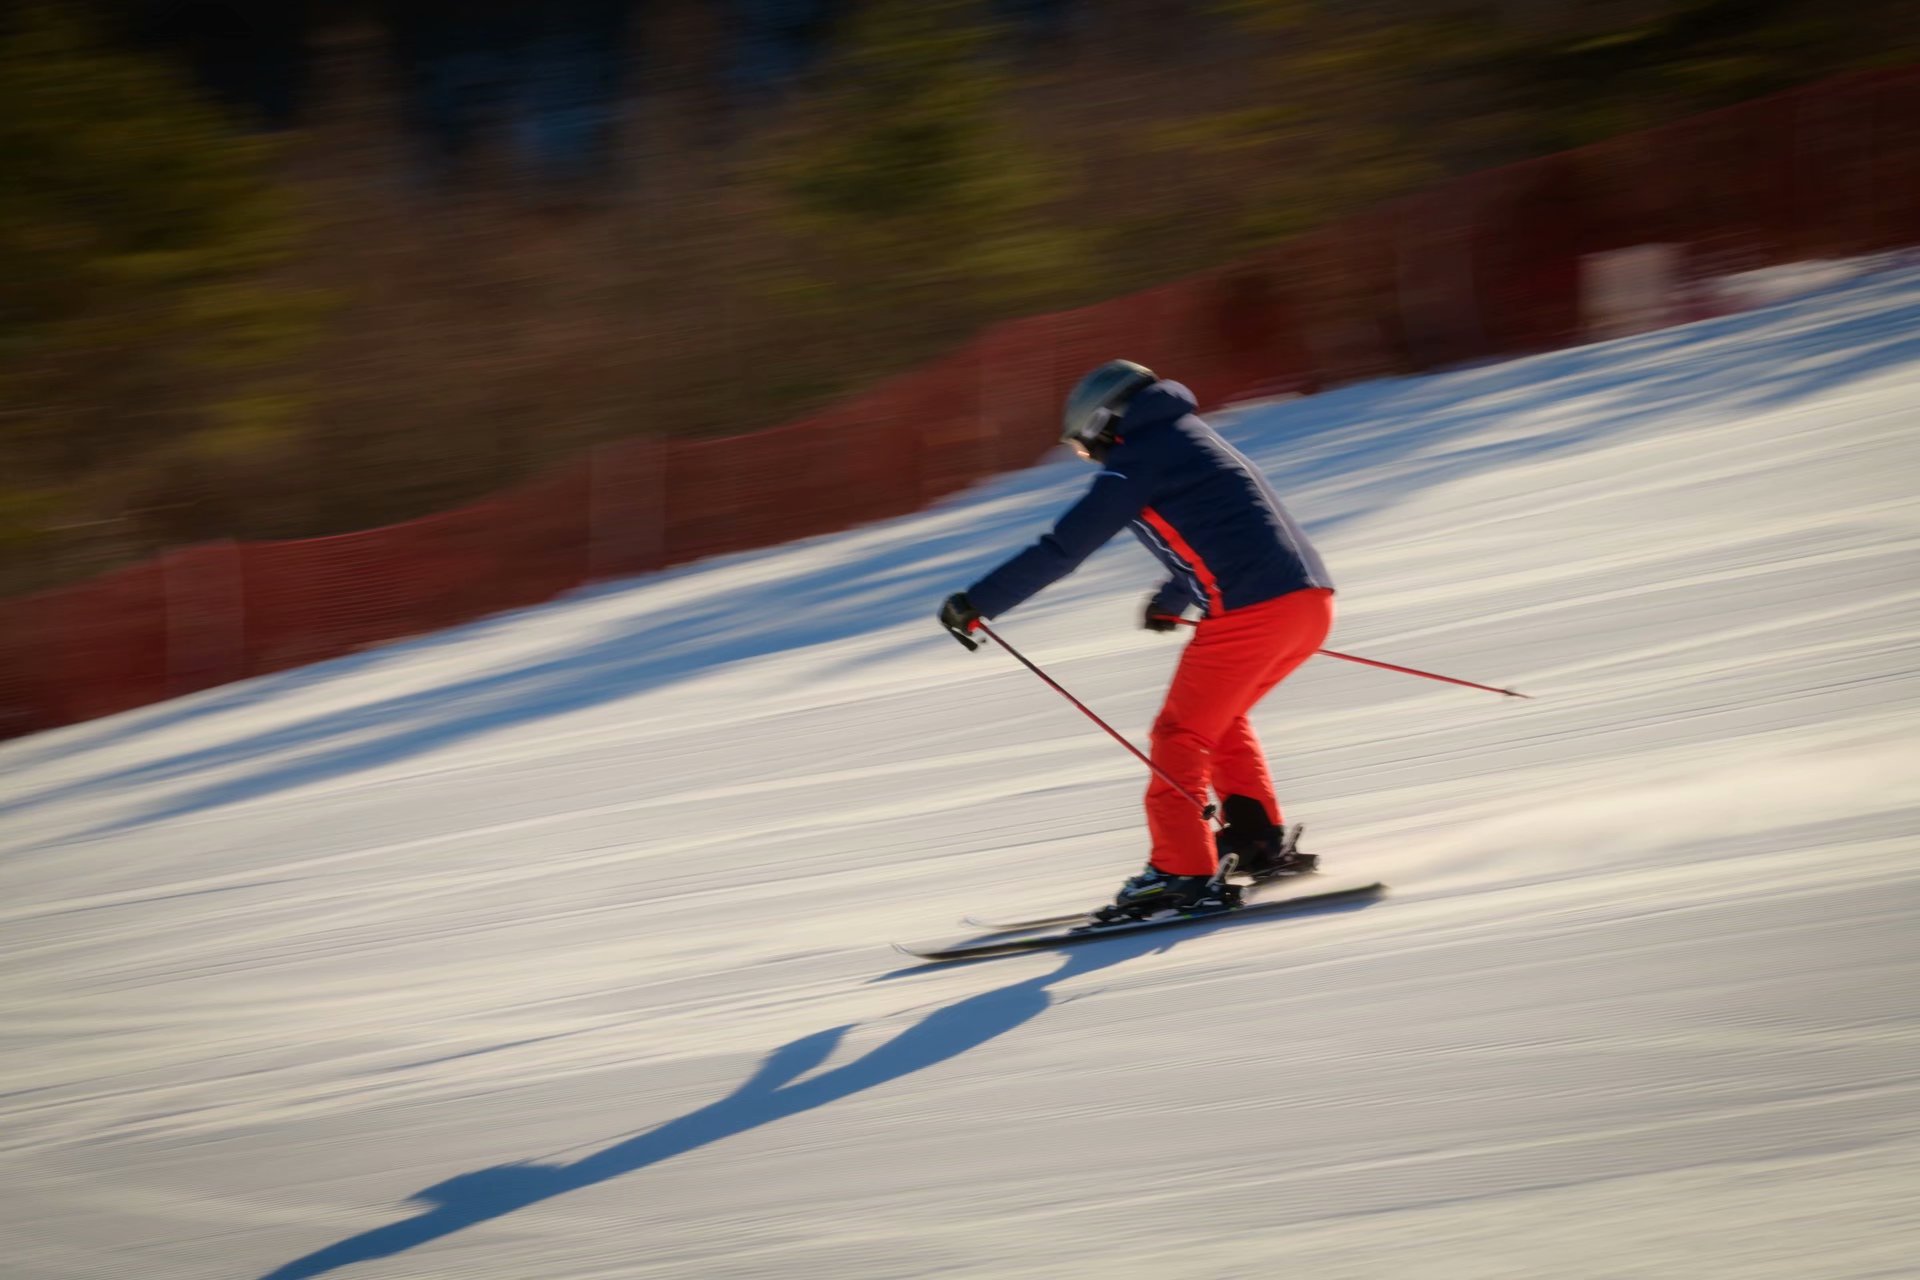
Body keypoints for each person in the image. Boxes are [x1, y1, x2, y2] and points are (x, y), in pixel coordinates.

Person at [938, 360, 1334, 921]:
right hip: (1308, 602)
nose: (1089, 456)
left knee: (1178, 736)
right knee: (1215, 721)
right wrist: (1173, 598)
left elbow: (1062, 548)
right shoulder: (1188, 437)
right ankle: (1254, 839)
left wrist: (980, 602)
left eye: (1083, 446)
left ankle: (1180, 872)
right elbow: (1227, 523)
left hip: (1253, 610)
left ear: (1104, 422)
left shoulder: (1135, 460)